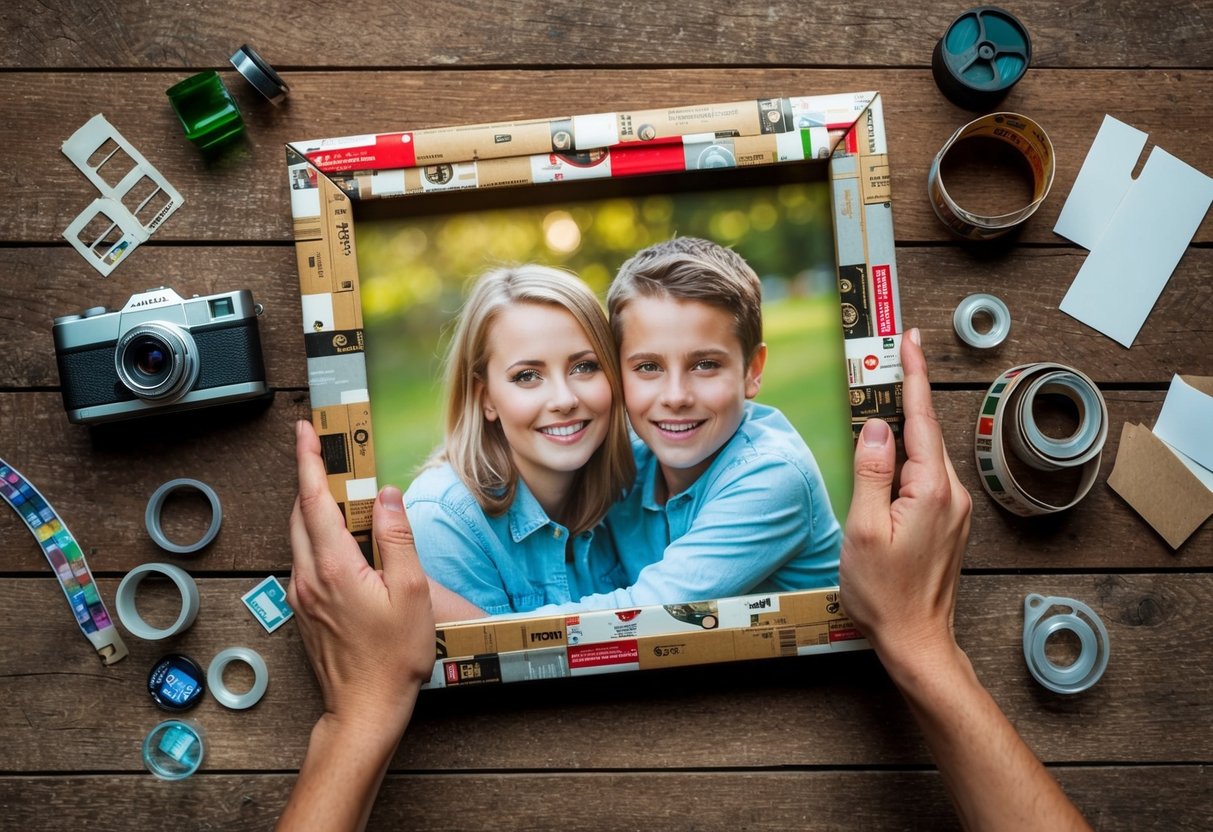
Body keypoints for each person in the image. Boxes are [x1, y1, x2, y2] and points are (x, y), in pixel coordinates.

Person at [277, 330, 1094, 831]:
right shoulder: (606, 473)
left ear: (753, 369)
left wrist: (364, 711)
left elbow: (638, 614)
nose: (670, 396)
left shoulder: (744, 472)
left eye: (584, 370)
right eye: (645, 370)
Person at [403, 264, 635, 617]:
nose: (564, 399)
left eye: (584, 367)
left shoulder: (636, 482)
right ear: (486, 398)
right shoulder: (445, 520)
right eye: (527, 376)